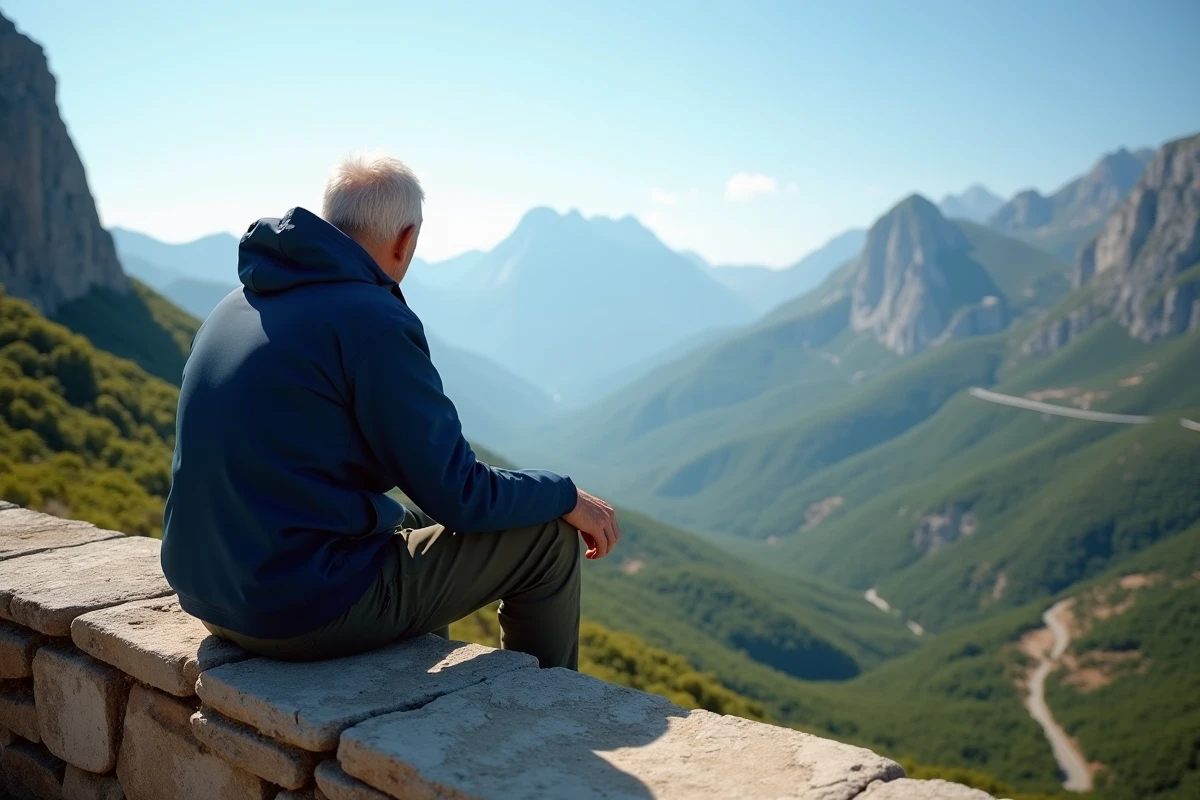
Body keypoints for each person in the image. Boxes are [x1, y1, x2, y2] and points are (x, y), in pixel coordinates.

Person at [161, 152, 620, 670]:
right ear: (405, 240)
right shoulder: (371, 319)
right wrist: (562, 494)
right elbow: (461, 495)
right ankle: (546, 719)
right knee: (546, 534)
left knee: (410, 520)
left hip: (208, 591)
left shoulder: (237, 302)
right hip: (293, 609)